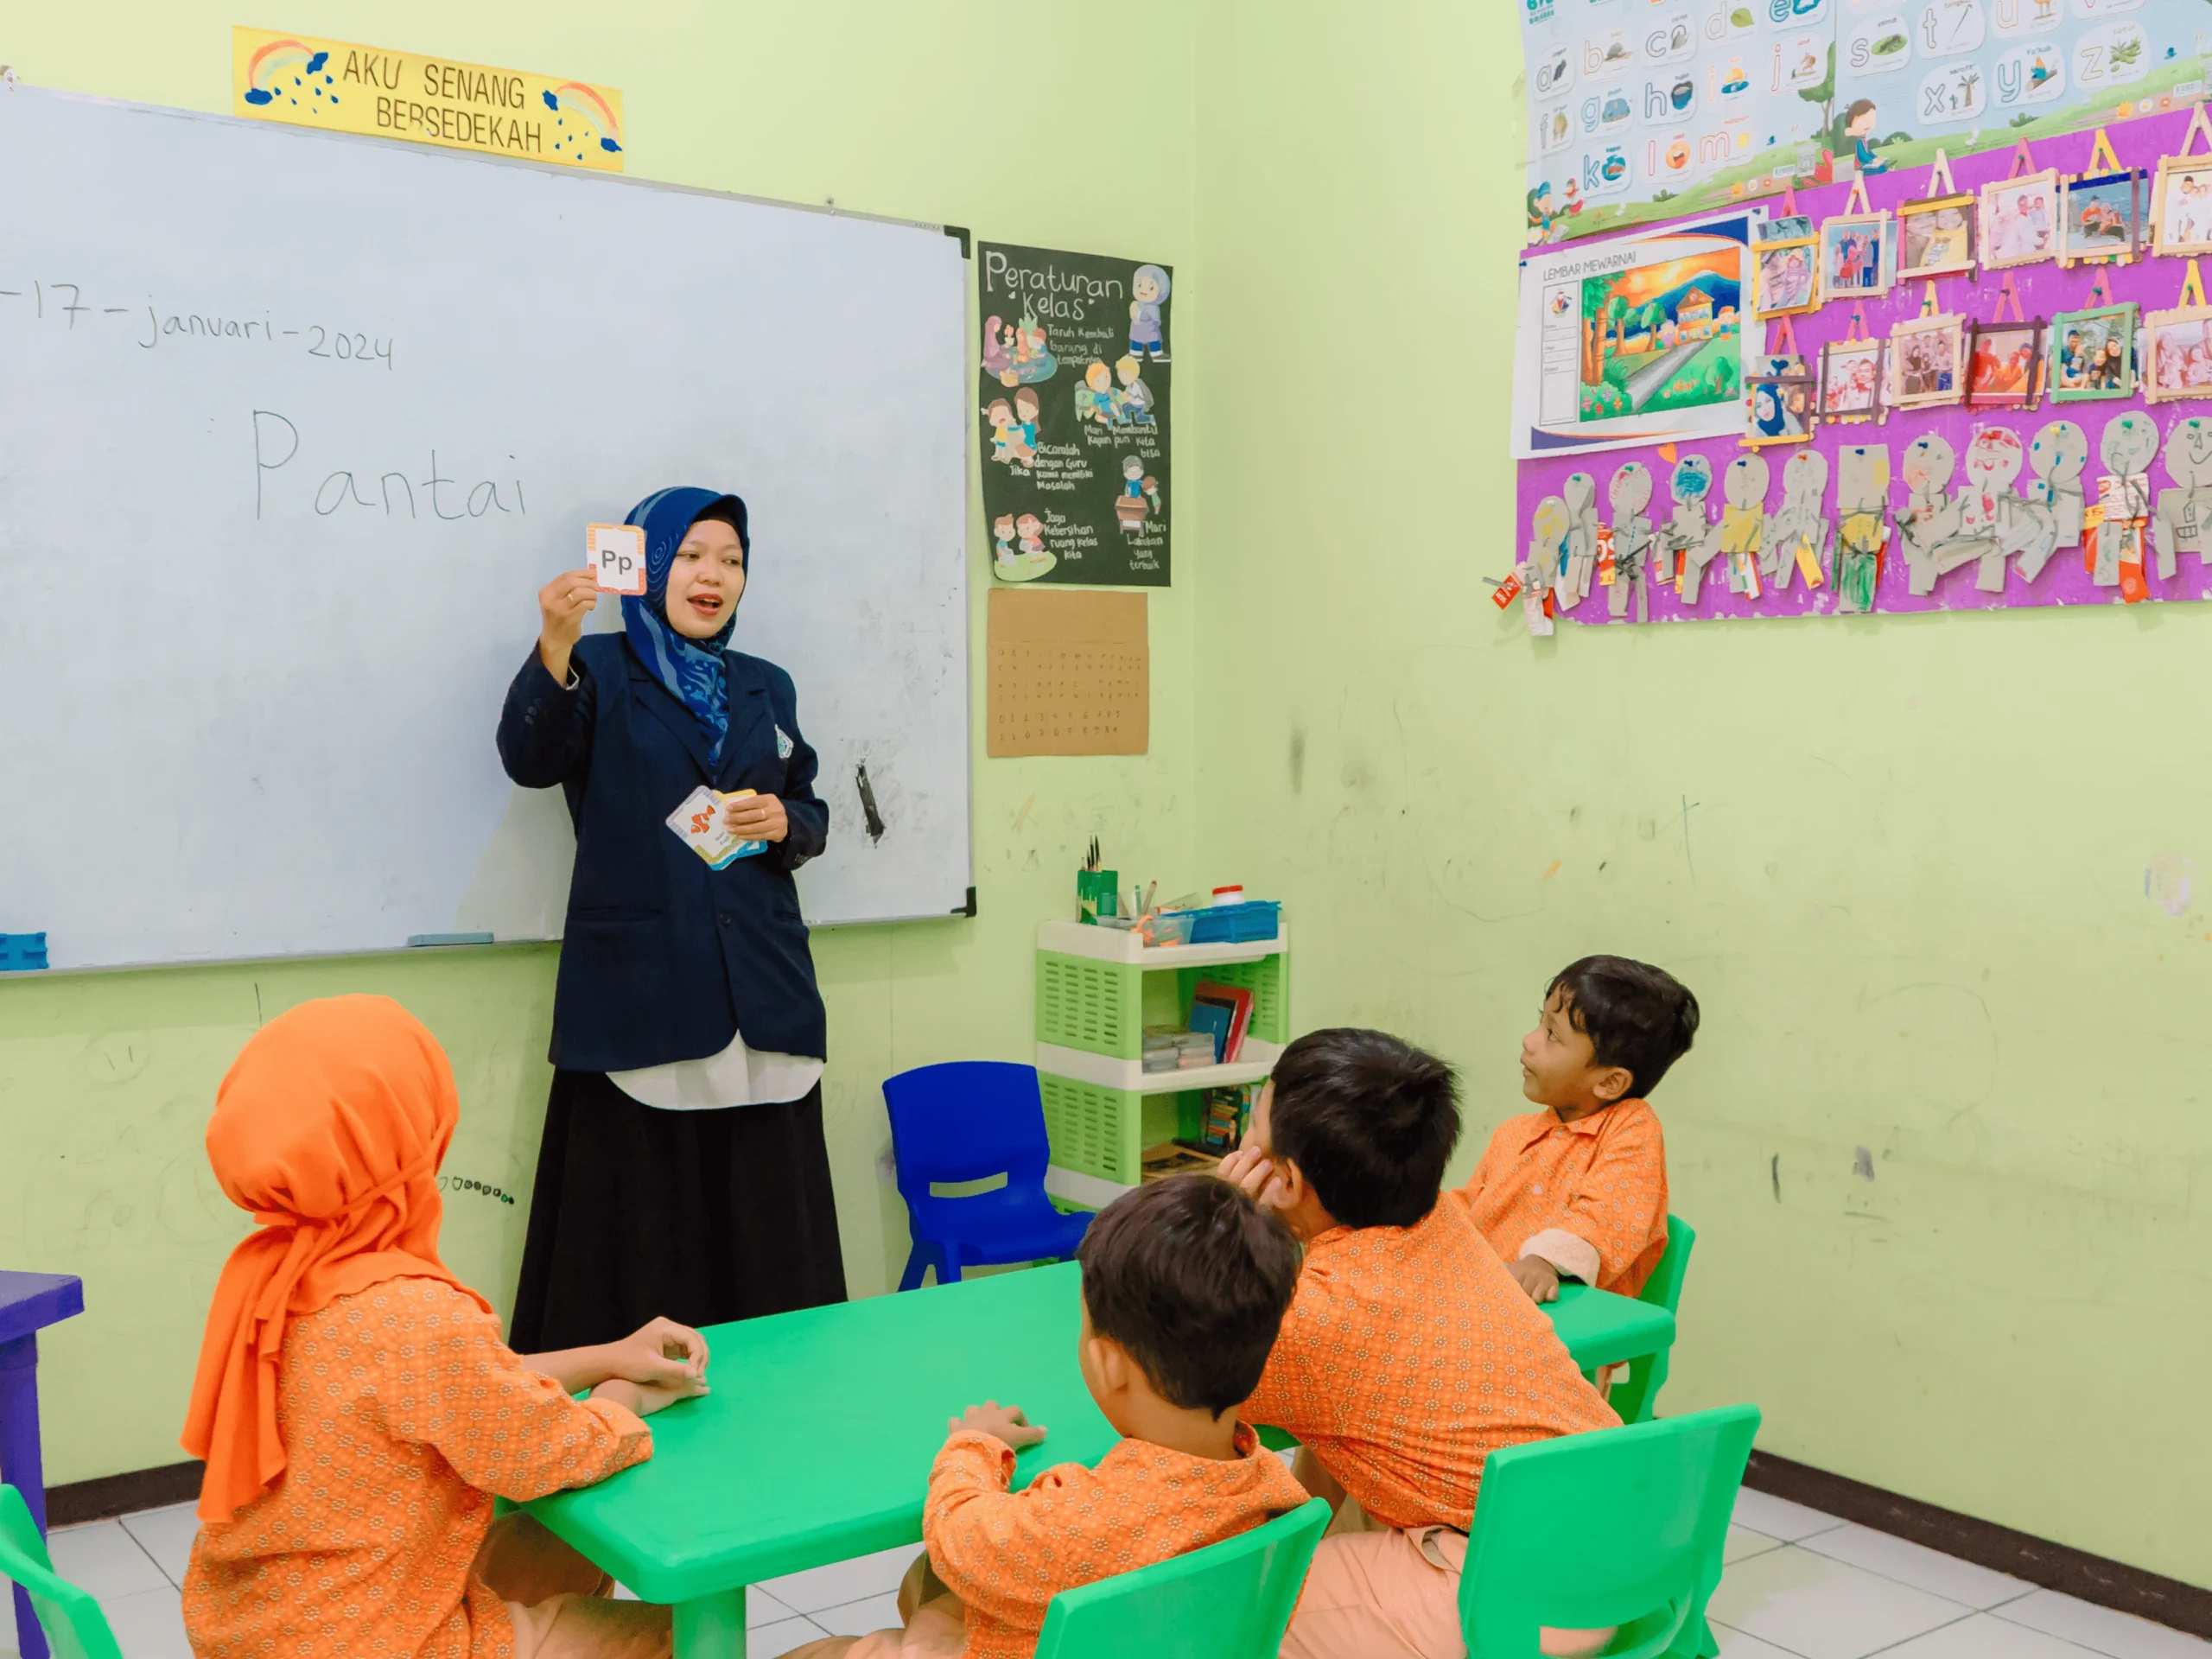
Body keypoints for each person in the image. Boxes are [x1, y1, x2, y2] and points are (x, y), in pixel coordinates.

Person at [179, 995, 709, 1659]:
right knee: (674, 1636)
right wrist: (630, 1400)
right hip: (372, 1641)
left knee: (542, 1547)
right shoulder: (415, 1314)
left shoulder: (271, 1279)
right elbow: (553, 1453)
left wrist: (609, 1356)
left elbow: (452, 1391)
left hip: (254, 1626)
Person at [499, 486, 843, 1354]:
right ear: (648, 566)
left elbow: (807, 805)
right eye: (691, 555)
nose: (713, 576)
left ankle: (776, 1413)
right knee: (641, 1238)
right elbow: (532, 761)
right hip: (642, 998)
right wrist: (554, 644)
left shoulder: (767, 684)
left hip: (763, 992)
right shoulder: (603, 668)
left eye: (731, 560)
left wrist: (787, 823)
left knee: (771, 1241)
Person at [1217, 1029, 1621, 1659]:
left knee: (1228, 1605)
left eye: (1254, 1126)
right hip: (1624, 1545)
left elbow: (1194, 1384)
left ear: (1288, 1180)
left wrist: (1227, 1233)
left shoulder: (1316, 1320)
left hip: (1519, 1594)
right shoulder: (1441, 1222)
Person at [789, 1177, 1310, 1659]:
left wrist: (974, 1444)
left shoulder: (1071, 1522)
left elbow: (956, 1533)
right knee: (923, 1584)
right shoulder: (1278, 1494)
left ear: (1108, 1364)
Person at [1456, 957, 1700, 1314]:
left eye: (1552, 1035)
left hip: (1564, 1341)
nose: (1529, 1040)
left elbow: (1607, 1218)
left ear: (1609, 1082)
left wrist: (1545, 1262)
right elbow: (1468, 1213)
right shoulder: (1514, 1134)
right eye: (1540, 1022)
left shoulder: (1630, 1128)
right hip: (1484, 1311)